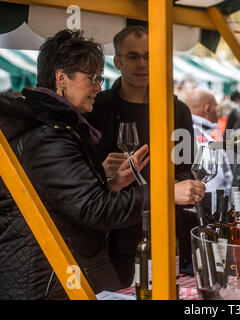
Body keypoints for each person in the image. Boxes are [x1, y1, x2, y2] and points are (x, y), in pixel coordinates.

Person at [0, 29, 150, 299]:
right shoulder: (48, 134)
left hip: (52, 274)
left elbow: (63, 200)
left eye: (100, 78)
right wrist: (163, 195)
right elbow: (94, 209)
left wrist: (109, 182)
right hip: (50, 281)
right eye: (92, 77)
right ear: (61, 78)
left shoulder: (48, 125)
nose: (99, 87)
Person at [84, 25, 204, 286]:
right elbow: (81, 175)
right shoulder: (95, 107)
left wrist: (179, 186)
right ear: (117, 61)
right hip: (112, 235)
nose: (142, 64)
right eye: (133, 56)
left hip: (164, 231)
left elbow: (186, 168)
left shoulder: (176, 110)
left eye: (149, 56)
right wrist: (103, 171)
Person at [186, 88, 233, 211]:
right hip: (212, 211)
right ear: (207, 109)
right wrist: (217, 216)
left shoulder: (193, 130)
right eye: (216, 107)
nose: (219, 113)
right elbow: (213, 180)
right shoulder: (199, 133)